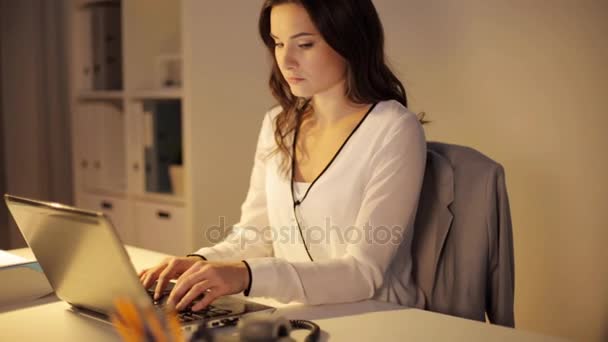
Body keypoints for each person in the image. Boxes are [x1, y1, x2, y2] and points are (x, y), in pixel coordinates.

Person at [139, 0, 427, 312]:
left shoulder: (394, 129)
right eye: (278, 43)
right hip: (299, 316)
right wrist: (199, 262)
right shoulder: (279, 124)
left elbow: (363, 272)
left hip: (377, 319)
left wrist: (246, 275)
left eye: (304, 44)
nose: (286, 60)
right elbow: (256, 234)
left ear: (351, 40)